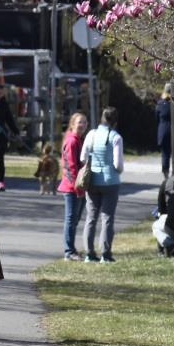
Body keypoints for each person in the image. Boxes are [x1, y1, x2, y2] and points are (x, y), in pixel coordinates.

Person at [81, 106, 125, 263]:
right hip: (110, 182)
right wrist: (117, 171)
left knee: (91, 217)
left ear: (102, 118)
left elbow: (83, 157)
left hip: (92, 180)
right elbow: (117, 163)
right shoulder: (115, 137)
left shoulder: (91, 134)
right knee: (107, 218)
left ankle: (89, 253)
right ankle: (105, 254)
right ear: (115, 121)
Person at [58, 111, 88, 261]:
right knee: (70, 219)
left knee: (74, 220)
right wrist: (78, 188)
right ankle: (68, 251)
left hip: (79, 187)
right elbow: (70, 167)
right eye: (79, 122)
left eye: (84, 122)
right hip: (72, 188)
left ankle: (72, 249)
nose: (82, 125)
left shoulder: (79, 140)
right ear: (72, 124)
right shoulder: (72, 141)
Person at [155, 86, 174, 177]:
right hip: (173, 130)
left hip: (163, 130)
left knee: (165, 153)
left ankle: (165, 172)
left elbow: (156, 118)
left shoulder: (160, 104)